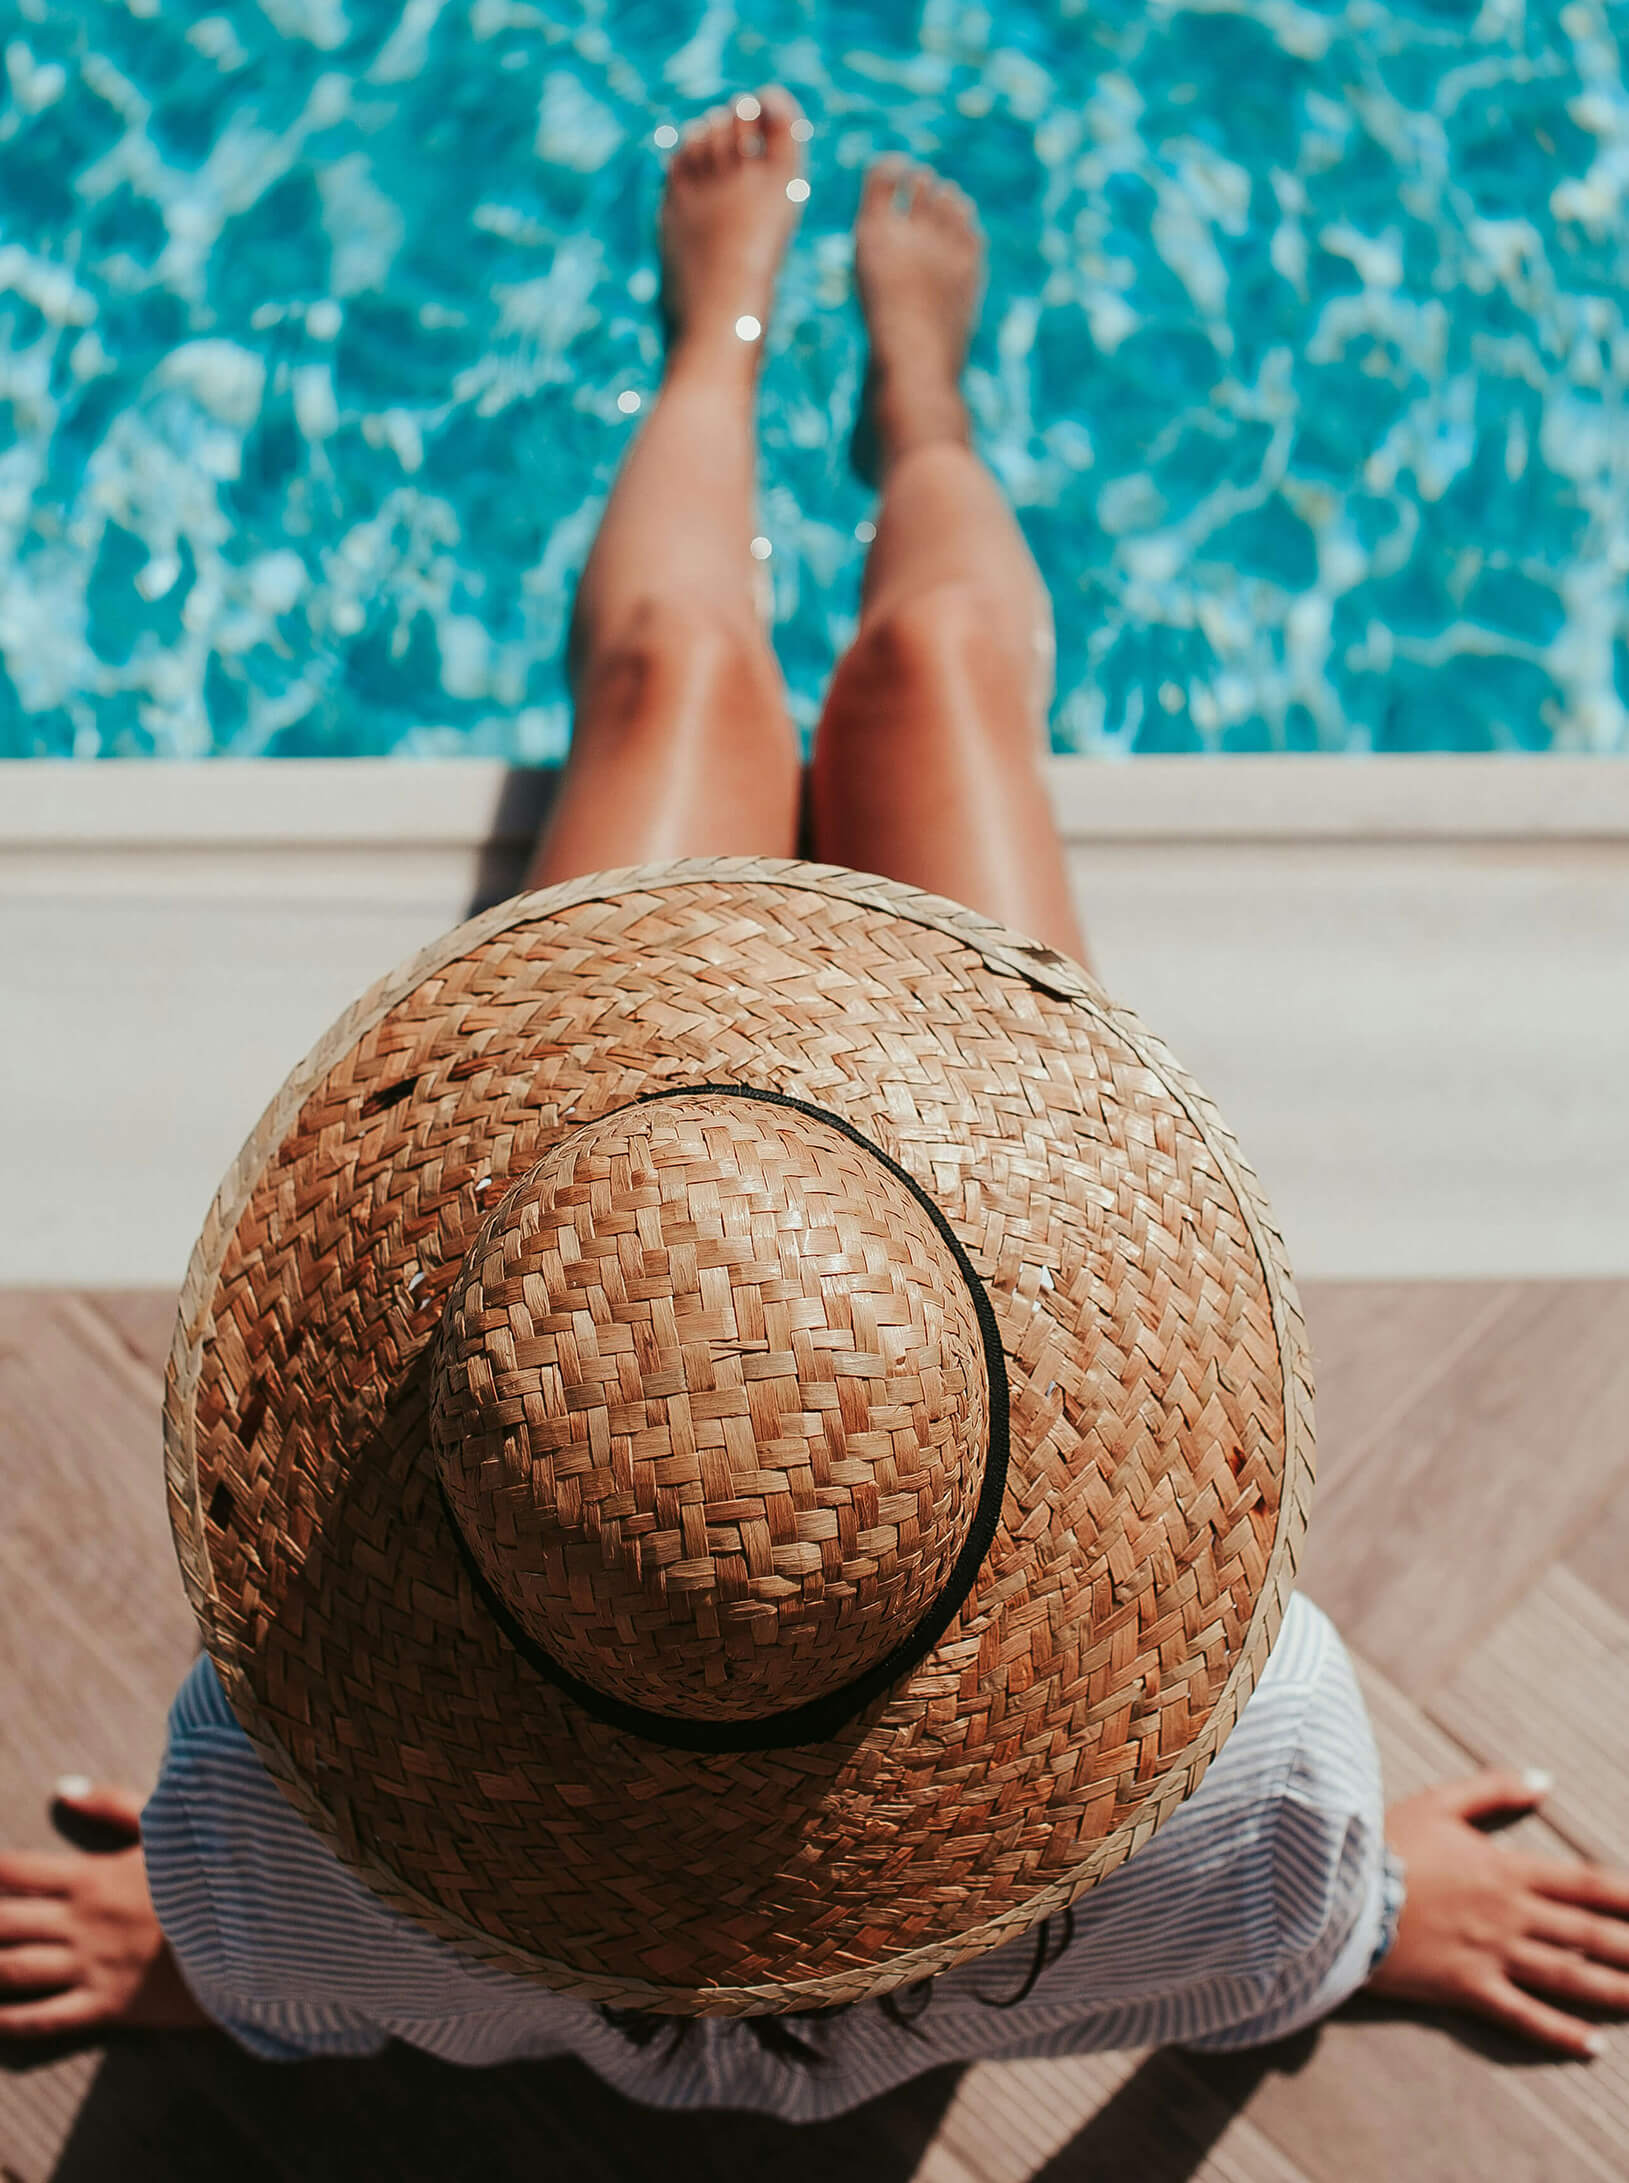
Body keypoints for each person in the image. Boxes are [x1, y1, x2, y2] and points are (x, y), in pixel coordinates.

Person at [3, 86, 1626, 2099]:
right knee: (933, 675)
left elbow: (290, 1977)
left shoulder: (270, 1820)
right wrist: (1363, 1921)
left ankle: (719, 342)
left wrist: (200, 1946)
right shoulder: (1246, 1764)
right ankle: (918, 412)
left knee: (678, 678)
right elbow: (1271, 1940)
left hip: (656, 1207)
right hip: (925, 1236)